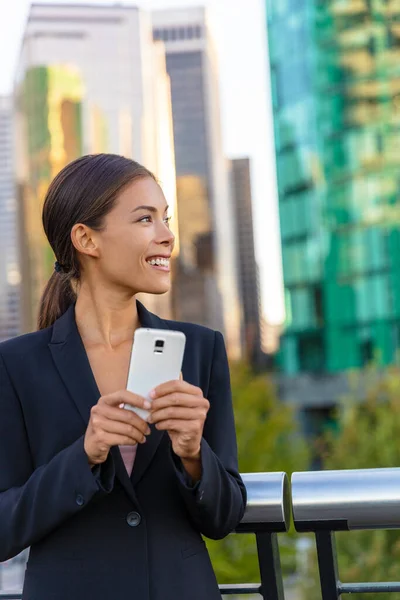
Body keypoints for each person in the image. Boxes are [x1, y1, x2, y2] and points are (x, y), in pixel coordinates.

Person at [0, 153, 246, 600]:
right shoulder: (16, 366)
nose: (167, 235)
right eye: (145, 219)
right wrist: (85, 455)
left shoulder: (201, 349)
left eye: (165, 218)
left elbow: (225, 516)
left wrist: (193, 454)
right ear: (86, 239)